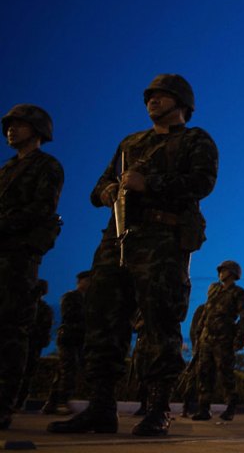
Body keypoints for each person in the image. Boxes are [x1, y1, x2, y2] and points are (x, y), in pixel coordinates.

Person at [49, 74, 218, 436]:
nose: (152, 101)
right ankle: (101, 407)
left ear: (182, 103)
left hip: (162, 241)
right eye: (150, 96)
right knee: (102, 323)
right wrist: (109, 189)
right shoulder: (130, 143)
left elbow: (202, 183)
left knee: (160, 323)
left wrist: (150, 183)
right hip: (118, 238)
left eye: (162, 95)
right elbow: (98, 187)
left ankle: (158, 410)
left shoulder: (195, 139)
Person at [0, 104, 64, 430]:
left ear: (37, 129)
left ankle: (4, 403)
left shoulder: (47, 166)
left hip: (17, 258)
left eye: (20, 124)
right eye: (9, 125)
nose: (12, 129)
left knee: (11, 332)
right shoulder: (6, 169)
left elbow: (41, 209)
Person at [193, 260, 244, 421]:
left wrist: (240, 338)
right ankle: (204, 408)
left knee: (226, 374)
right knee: (204, 373)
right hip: (206, 338)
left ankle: (231, 407)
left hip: (224, 339)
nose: (220, 273)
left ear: (232, 273)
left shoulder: (238, 293)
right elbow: (206, 310)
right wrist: (199, 331)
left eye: (224, 270)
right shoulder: (214, 289)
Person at [43, 271, 90, 415]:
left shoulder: (88, 299)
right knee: (68, 370)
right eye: (87, 280)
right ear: (80, 281)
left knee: (68, 370)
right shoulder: (70, 297)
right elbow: (69, 315)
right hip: (68, 337)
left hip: (80, 339)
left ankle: (52, 403)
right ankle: (61, 402)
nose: (90, 284)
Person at [16, 280, 53, 410]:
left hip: (30, 344)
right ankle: (17, 402)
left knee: (23, 374)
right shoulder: (41, 308)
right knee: (24, 374)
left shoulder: (37, 308)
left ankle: (17, 402)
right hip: (29, 344)